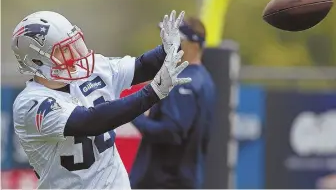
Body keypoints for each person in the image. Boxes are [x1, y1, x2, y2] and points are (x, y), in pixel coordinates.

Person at [12, 10, 191, 189]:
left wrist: (168, 49)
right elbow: (89, 121)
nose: (74, 54)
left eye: (73, 44)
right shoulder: (30, 103)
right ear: (36, 61)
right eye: (63, 50)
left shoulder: (90, 70)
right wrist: (151, 93)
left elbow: (141, 66)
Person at [130, 17, 216, 189]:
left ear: (193, 45)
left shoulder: (183, 81)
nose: (168, 44)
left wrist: (133, 113)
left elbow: (171, 131)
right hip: (181, 179)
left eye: (177, 39)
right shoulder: (204, 79)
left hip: (166, 181)